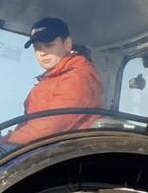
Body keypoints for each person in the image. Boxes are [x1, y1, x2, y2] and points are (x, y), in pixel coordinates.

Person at [6, 17, 103, 145]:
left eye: (49, 45)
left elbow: (47, 129)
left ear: (67, 44)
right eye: (37, 47)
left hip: (60, 152)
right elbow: (29, 125)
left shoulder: (77, 79)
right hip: (40, 148)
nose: (42, 53)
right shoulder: (50, 80)